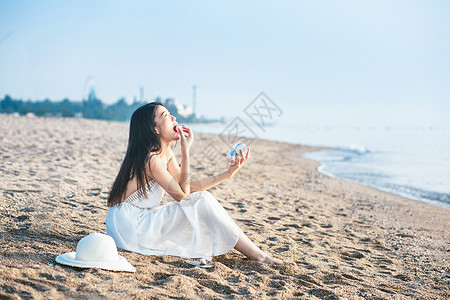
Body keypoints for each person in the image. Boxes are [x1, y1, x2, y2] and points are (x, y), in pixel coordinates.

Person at [106, 102, 294, 266]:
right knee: (200, 201)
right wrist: (186, 151)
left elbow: (187, 187)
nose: (173, 117)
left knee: (201, 199)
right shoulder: (151, 159)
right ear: (154, 129)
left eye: (171, 113)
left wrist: (227, 174)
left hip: (137, 220)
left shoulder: (164, 154)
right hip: (129, 225)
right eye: (165, 115)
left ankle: (257, 254)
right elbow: (183, 196)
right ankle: (260, 256)